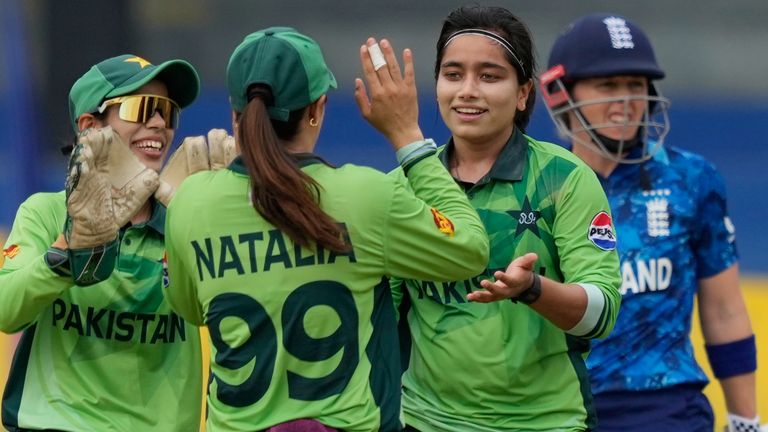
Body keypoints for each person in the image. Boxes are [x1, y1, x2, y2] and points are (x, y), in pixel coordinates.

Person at [162, 27, 489, 432]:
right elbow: (470, 248)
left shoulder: (191, 203)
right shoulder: (366, 195)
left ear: (234, 116)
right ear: (317, 109)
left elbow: (189, 308)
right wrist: (408, 137)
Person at [390, 6, 622, 432]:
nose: (468, 91)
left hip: (549, 422)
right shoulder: (400, 187)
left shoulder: (565, 179)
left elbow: (601, 315)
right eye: (453, 74)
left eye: (490, 76)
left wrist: (533, 289)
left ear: (523, 94)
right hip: (424, 421)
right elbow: (375, 315)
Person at [540, 12, 760, 432]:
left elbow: (725, 308)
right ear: (559, 93)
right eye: (608, 85)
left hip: (667, 407)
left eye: (636, 85)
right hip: (554, 403)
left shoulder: (692, 179)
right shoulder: (534, 185)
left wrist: (745, 421)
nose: (626, 99)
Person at [0, 54, 210, 431]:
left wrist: (205, 225)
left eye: (167, 111)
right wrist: (71, 247)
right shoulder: (46, 214)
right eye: (141, 108)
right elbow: (6, 308)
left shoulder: (186, 218)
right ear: (89, 126)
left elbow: (235, 318)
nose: (160, 123)